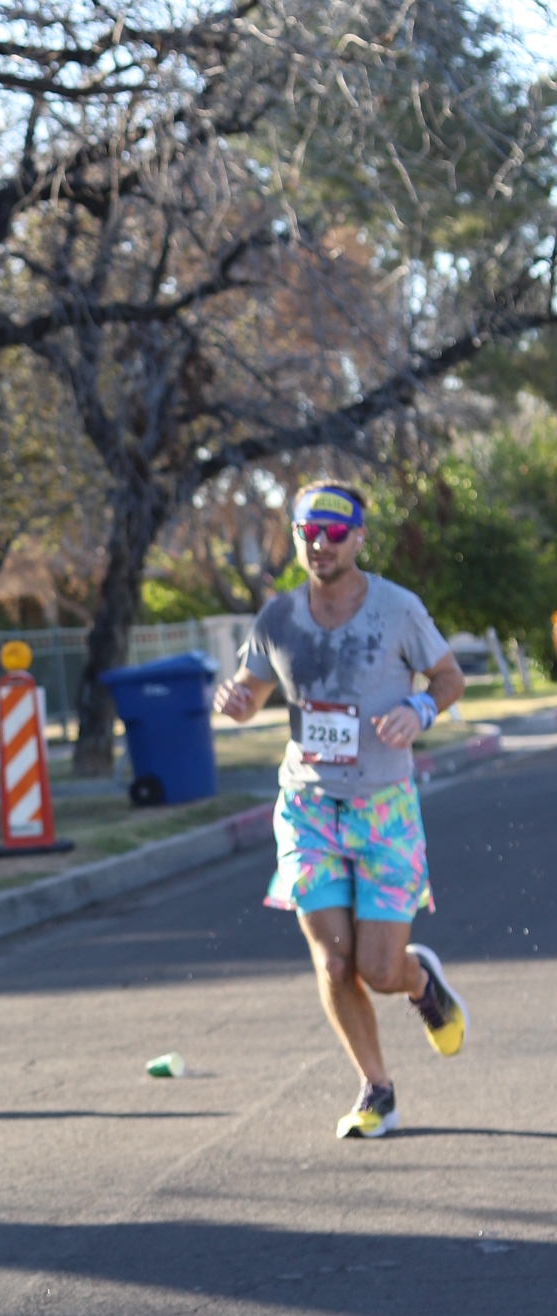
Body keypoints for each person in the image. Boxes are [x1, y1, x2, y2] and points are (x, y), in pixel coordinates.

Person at [213, 479, 469, 1139]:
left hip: (382, 808)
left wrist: (419, 708)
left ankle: (421, 982)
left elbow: (449, 678)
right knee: (333, 964)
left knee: (378, 970)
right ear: (296, 537)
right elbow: (250, 690)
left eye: (334, 533)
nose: (320, 544)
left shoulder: (397, 608)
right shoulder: (278, 619)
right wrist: (235, 701)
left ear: (357, 537)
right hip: (308, 809)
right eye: (309, 532)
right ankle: (376, 1089)